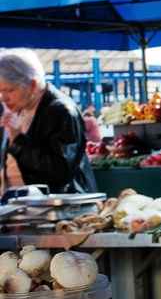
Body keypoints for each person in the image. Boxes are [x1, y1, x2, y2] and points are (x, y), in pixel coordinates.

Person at [0, 49, 96, 194]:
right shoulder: (19, 107)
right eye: (0, 91)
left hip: (58, 203)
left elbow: (59, 170)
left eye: (10, 90)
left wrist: (18, 141)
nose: (3, 98)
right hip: (21, 201)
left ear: (32, 85)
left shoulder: (61, 111)